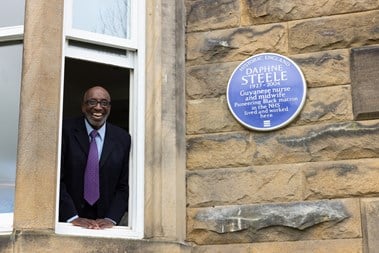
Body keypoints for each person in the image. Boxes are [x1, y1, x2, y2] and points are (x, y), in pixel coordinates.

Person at [59, 86, 131, 229]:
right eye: (92, 102)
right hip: (67, 222)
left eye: (104, 103)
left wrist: (111, 218)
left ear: (109, 107)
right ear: (83, 106)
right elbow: (55, 179)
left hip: (105, 226)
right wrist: (72, 217)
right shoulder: (64, 130)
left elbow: (124, 186)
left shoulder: (123, 138)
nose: (98, 107)